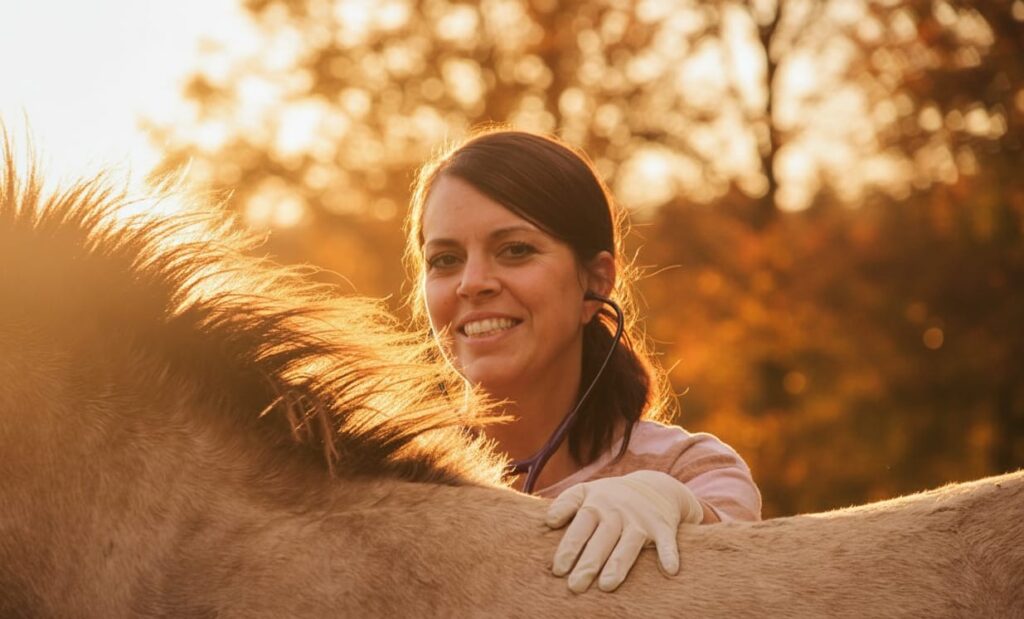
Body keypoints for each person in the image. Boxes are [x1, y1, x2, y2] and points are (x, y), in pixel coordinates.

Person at [403, 128, 761, 593]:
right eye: (445, 259)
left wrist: (682, 507)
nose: (472, 283)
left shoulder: (689, 470)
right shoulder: (389, 482)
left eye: (515, 250)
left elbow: (751, 571)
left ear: (595, 282)